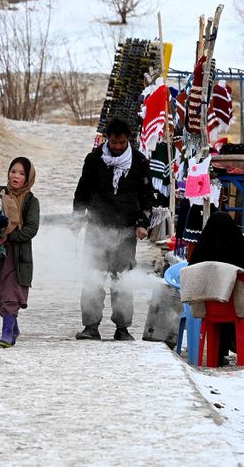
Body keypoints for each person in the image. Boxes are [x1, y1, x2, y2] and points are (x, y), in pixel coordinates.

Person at [73, 117, 154, 341]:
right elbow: (82, 192)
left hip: (127, 231)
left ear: (128, 139)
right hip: (97, 228)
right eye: (113, 142)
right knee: (93, 277)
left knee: (123, 281)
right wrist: (77, 217)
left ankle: (122, 328)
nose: (117, 147)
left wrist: (143, 223)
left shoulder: (138, 162)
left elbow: (147, 196)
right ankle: (90, 326)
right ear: (107, 139)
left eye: (121, 143)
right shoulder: (94, 159)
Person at [189, 211, 244, 358]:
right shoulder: (239, 248)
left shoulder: (201, 250)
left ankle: (219, 354)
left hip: (209, 308)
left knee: (227, 304)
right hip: (239, 308)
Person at [0, 157, 40, 347]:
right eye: (13, 171)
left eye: (22, 173)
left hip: (17, 256)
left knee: (10, 292)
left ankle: (6, 333)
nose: (16, 176)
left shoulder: (31, 201)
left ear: (28, 178)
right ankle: (12, 327)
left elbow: (31, 229)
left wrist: (10, 236)